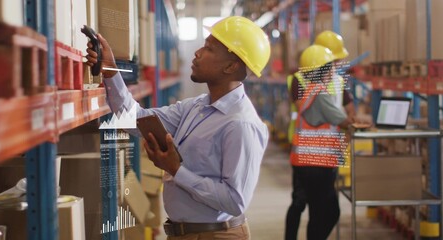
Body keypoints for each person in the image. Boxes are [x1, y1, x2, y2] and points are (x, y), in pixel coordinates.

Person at [86, 16, 271, 239]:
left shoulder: (241, 124)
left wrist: (177, 170)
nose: (198, 53)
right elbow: (135, 119)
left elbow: (235, 201)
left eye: (209, 49)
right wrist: (109, 69)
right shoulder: (196, 107)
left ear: (230, 66)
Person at [284, 45, 353, 240]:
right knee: (329, 212)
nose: (334, 70)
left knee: (317, 212)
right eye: (331, 66)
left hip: (306, 162)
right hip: (316, 164)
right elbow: (344, 119)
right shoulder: (320, 94)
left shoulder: (312, 91)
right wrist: (356, 123)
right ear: (321, 69)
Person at [285, 30, 355, 144]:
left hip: (329, 145)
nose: (336, 64)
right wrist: (348, 124)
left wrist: (348, 132)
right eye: (333, 61)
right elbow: (313, 112)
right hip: (309, 144)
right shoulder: (300, 80)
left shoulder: (338, 80)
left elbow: (350, 109)